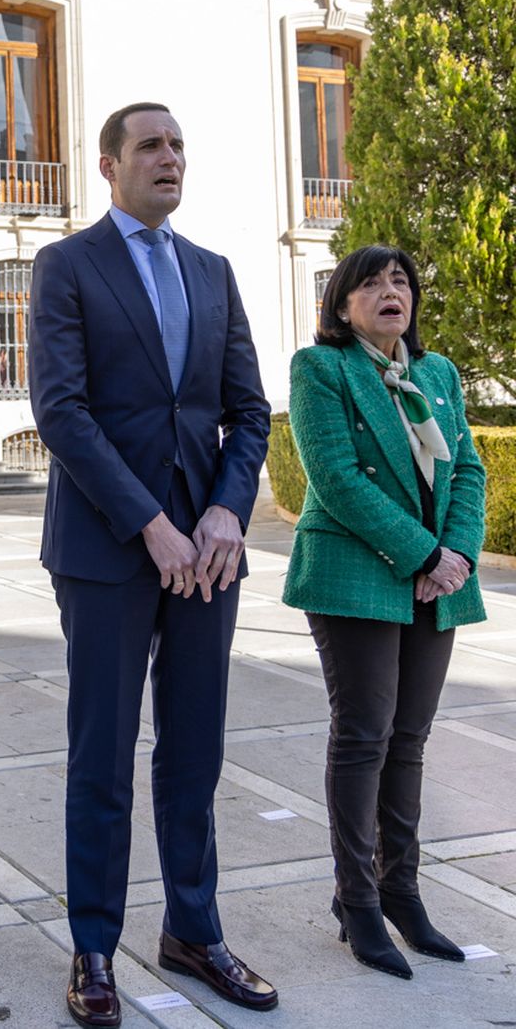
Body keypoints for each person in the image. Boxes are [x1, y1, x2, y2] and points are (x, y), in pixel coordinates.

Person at [27, 102, 276, 1027]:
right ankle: (94, 944)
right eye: (151, 146)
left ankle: (193, 929)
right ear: (108, 165)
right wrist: (150, 525)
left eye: (177, 145)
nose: (170, 158)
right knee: (102, 754)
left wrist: (222, 510)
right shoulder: (67, 265)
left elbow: (248, 411)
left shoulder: (213, 272)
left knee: (195, 749)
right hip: (107, 549)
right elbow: (61, 411)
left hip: (207, 554)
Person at [283, 245, 485, 978]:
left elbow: (466, 466)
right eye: (371, 283)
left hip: (437, 575)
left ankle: (401, 889)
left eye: (400, 280)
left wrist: (455, 552)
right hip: (354, 573)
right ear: (342, 305)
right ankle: (357, 899)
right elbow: (335, 477)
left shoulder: (437, 374)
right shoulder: (323, 369)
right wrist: (425, 555)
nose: (390, 290)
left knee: (411, 737)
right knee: (365, 734)